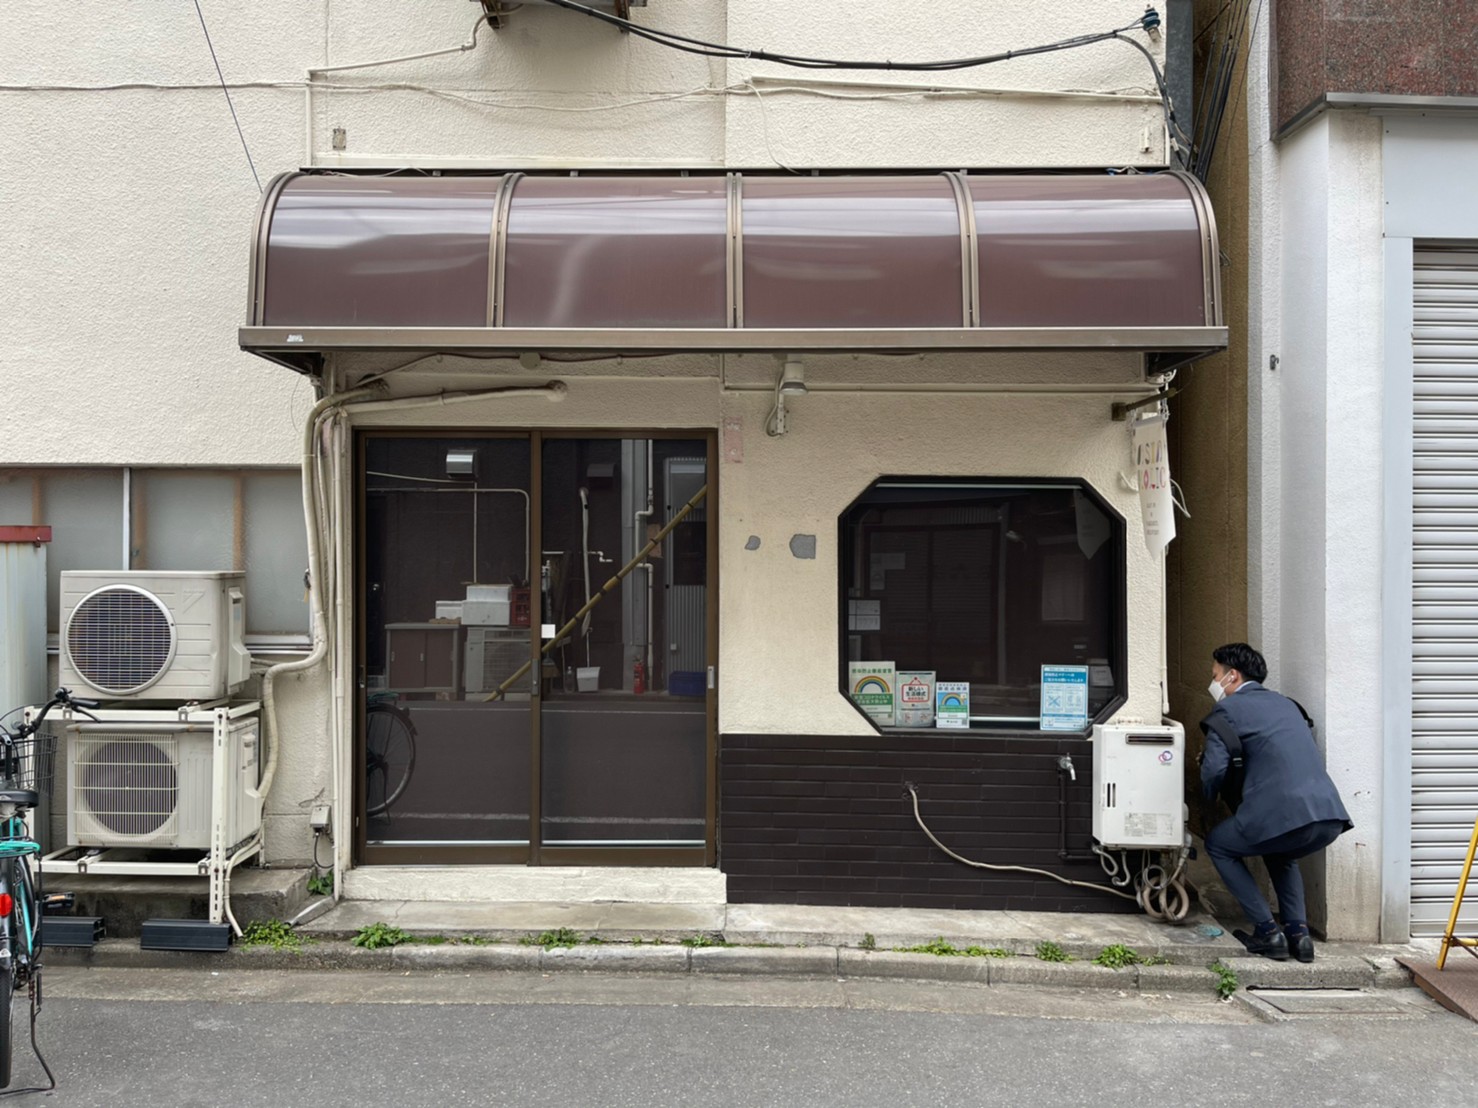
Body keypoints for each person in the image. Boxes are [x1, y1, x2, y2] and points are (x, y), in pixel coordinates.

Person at [1199, 643, 1352, 962]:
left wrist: (1207, 800)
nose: (1213, 683)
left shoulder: (1227, 711)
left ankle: (1269, 932)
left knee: (1219, 844)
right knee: (1280, 850)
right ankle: (1299, 935)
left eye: (1215, 676)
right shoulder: (1288, 705)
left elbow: (1214, 769)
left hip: (1280, 812)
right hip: (1327, 814)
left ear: (1232, 676)